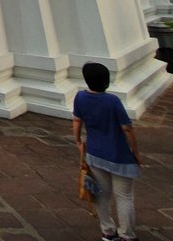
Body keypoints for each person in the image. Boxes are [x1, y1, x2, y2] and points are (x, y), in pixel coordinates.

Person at [73, 62, 141, 241]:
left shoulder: (80, 97)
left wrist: (78, 140)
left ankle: (108, 231)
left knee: (101, 195)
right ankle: (127, 235)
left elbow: (76, 121)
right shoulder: (112, 101)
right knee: (124, 197)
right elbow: (127, 128)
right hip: (119, 155)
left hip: (95, 153)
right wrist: (135, 151)